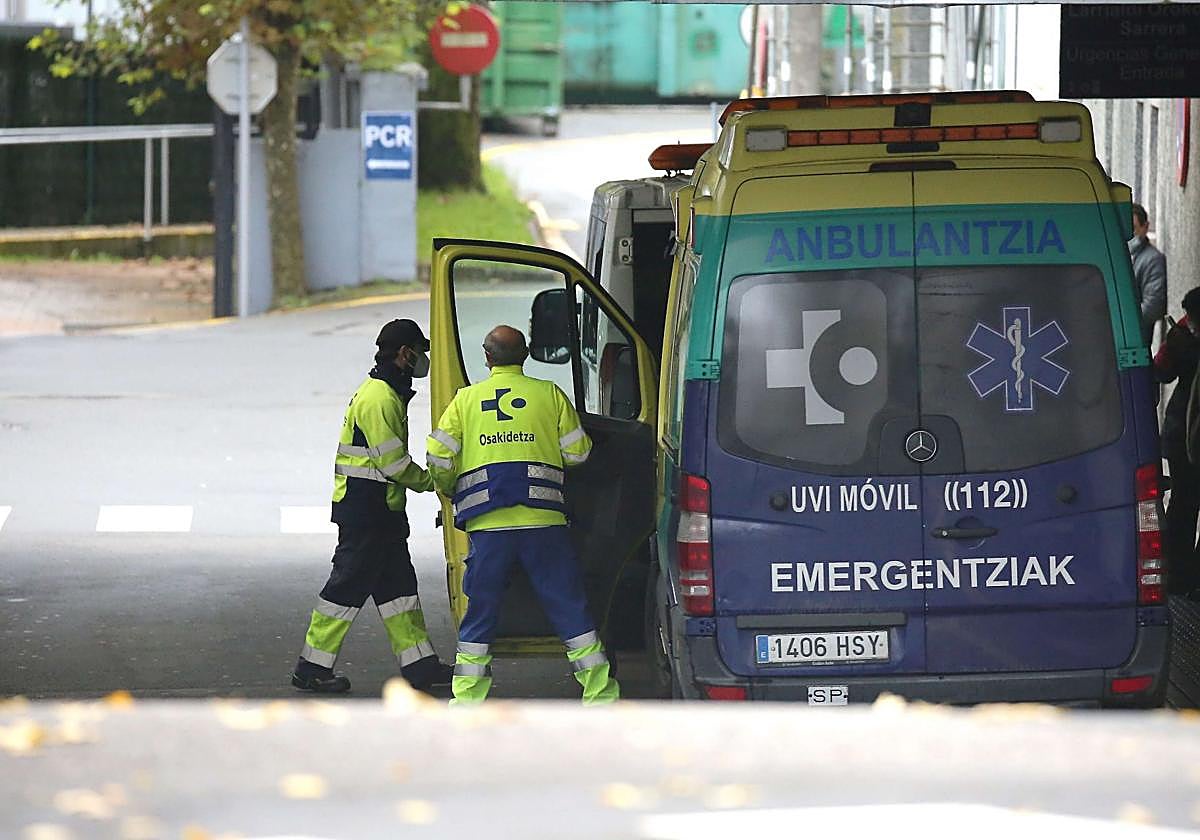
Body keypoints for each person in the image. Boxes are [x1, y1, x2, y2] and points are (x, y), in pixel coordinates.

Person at [425, 325, 619, 705]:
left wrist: (451, 488)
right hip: (543, 524)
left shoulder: (465, 401)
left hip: (487, 525)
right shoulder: (548, 394)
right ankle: (600, 696)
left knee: (479, 613)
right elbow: (579, 453)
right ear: (526, 354)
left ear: (487, 357)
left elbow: (438, 459)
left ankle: (466, 702)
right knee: (569, 608)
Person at [291, 319, 452, 694]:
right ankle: (311, 668)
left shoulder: (387, 391)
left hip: (379, 509)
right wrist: (434, 483)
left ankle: (420, 665)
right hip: (367, 510)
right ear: (404, 354)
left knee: (399, 591)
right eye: (420, 351)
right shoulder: (379, 397)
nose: (424, 359)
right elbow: (393, 463)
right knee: (346, 587)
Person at [1155, 288, 1200, 597]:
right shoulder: (1183, 336)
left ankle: (1180, 577)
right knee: (1184, 504)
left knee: (1183, 506)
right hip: (1184, 434)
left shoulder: (1181, 337)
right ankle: (1183, 577)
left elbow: (1160, 371)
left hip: (1181, 432)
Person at [1130, 202, 1167, 348]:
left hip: (1136, 343)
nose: (1128, 235)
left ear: (1145, 227)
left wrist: (1118, 317)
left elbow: (1153, 307)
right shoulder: (1118, 257)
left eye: (1133, 229)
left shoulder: (1153, 259)